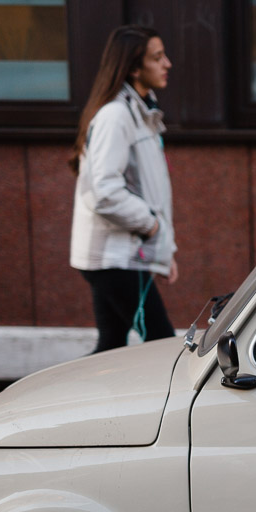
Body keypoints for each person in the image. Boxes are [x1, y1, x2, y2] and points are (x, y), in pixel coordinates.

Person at [68, 25, 177, 353]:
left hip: (121, 257)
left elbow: (146, 190)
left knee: (111, 346)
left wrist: (164, 248)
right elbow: (104, 191)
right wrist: (153, 226)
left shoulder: (140, 114)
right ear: (133, 67)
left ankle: (79, 402)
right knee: (162, 347)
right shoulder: (116, 116)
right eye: (157, 57)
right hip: (118, 259)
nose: (167, 63)